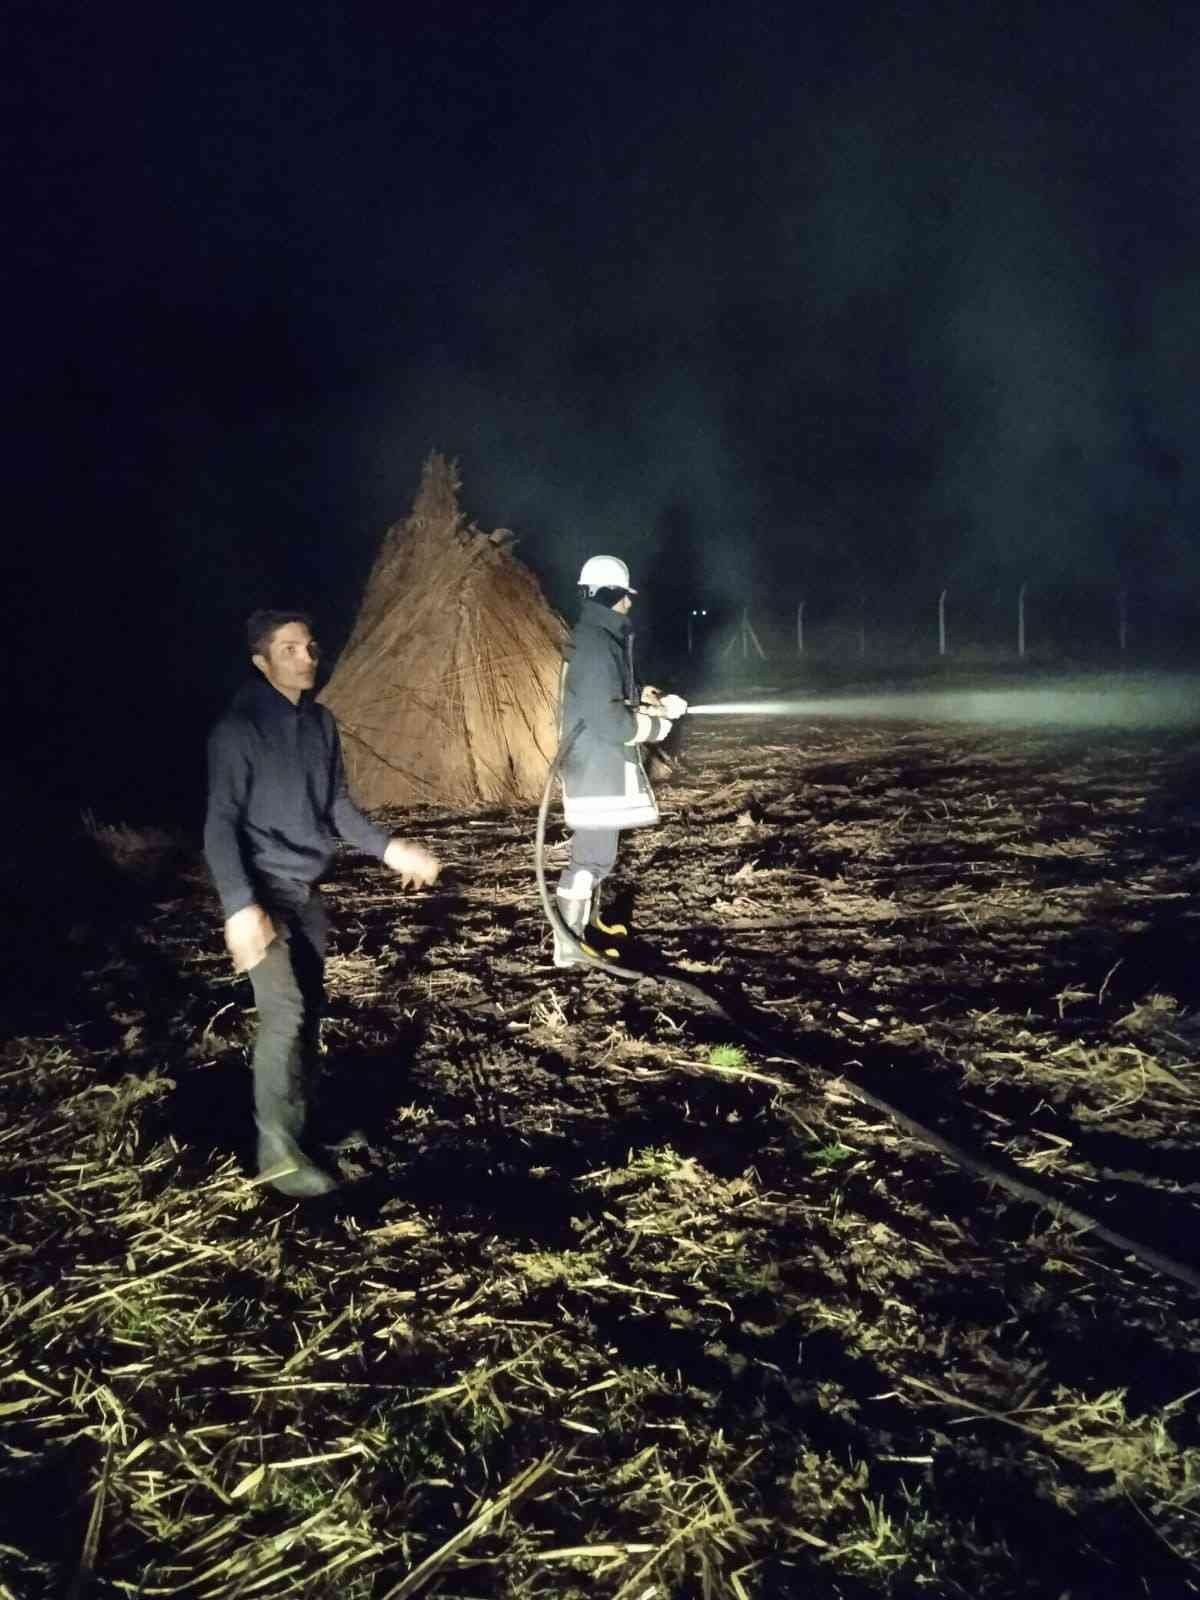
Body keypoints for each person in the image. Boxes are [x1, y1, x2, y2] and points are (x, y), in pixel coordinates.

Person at [204, 610, 440, 1197]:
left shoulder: (321, 724)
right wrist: (239, 906)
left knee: (309, 1011)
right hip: (262, 892)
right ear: (261, 661)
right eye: (290, 649)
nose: (307, 657)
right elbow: (219, 822)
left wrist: (392, 851)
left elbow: (336, 807)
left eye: (310, 646)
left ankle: (303, 1131)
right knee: (283, 1012)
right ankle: (277, 1154)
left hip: (306, 891)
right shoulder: (237, 731)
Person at [553, 556, 687, 967]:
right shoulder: (595, 644)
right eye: (627, 596)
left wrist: (646, 697)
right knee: (591, 856)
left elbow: (611, 693)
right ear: (614, 595)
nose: (630, 603)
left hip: (600, 765)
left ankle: (587, 927)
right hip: (595, 767)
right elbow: (608, 720)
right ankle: (569, 944)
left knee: (600, 854)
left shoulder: (600, 637)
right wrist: (657, 727)